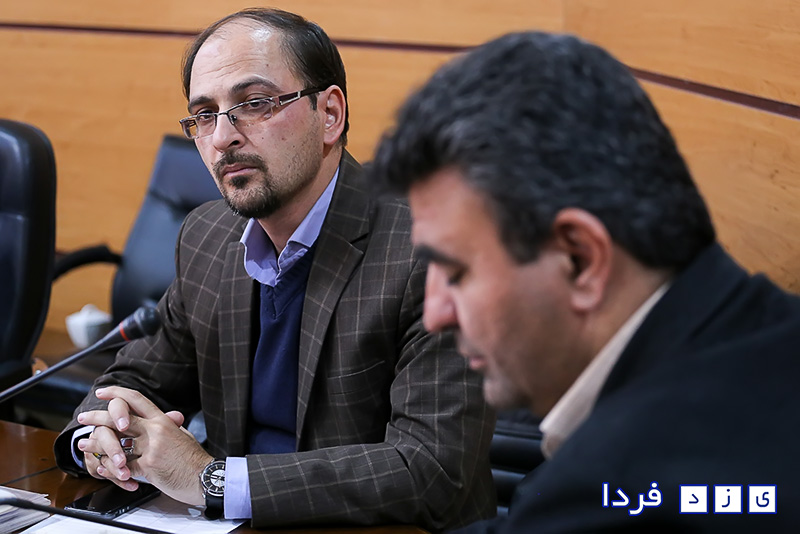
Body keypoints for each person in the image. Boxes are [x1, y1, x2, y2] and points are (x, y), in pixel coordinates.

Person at [54, 8, 495, 530]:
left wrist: (211, 479)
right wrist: (101, 438)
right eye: (204, 115)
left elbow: (431, 469)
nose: (222, 137)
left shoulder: (432, 247)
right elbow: (137, 378)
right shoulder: (207, 236)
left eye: (254, 104)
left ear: (329, 114)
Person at [372, 31, 800, 532]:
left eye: (457, 272)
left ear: (580, 259)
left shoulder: (616, 489)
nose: (435, 313)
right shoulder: (763, 327)